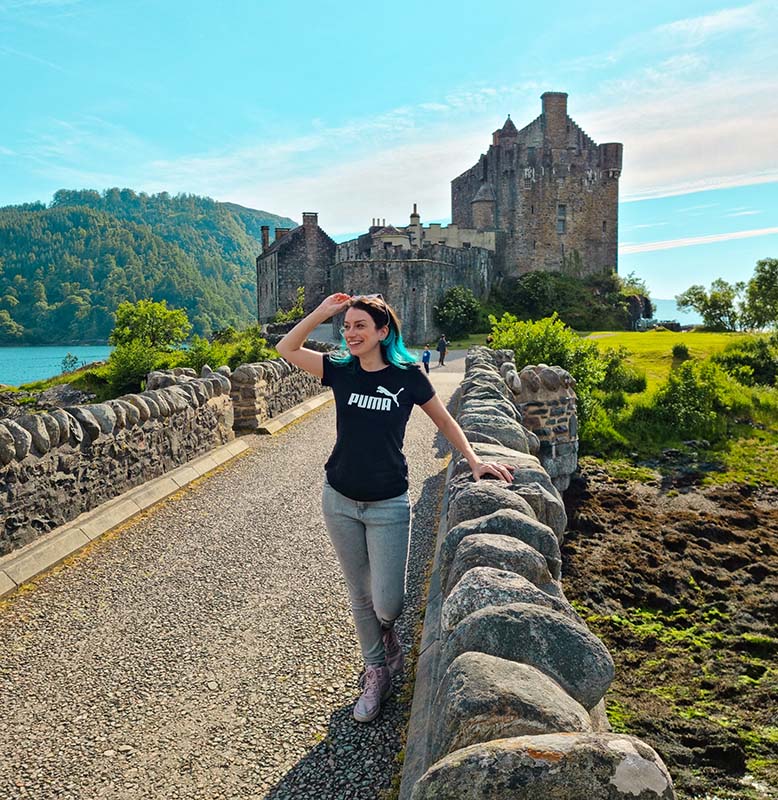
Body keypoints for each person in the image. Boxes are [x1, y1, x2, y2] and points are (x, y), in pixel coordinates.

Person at [276, 293, 513, 723]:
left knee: (389, 603)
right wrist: (323, 313)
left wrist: (474, 460)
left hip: (388, 503)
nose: (350, 334)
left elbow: (443, 420)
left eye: (360, 326)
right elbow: (286, 349)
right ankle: (376, 671)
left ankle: (386, 638)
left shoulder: (408, 376)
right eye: (347, 327)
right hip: (339, 499)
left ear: (383, 332)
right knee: (359, 595)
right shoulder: (340, 371)